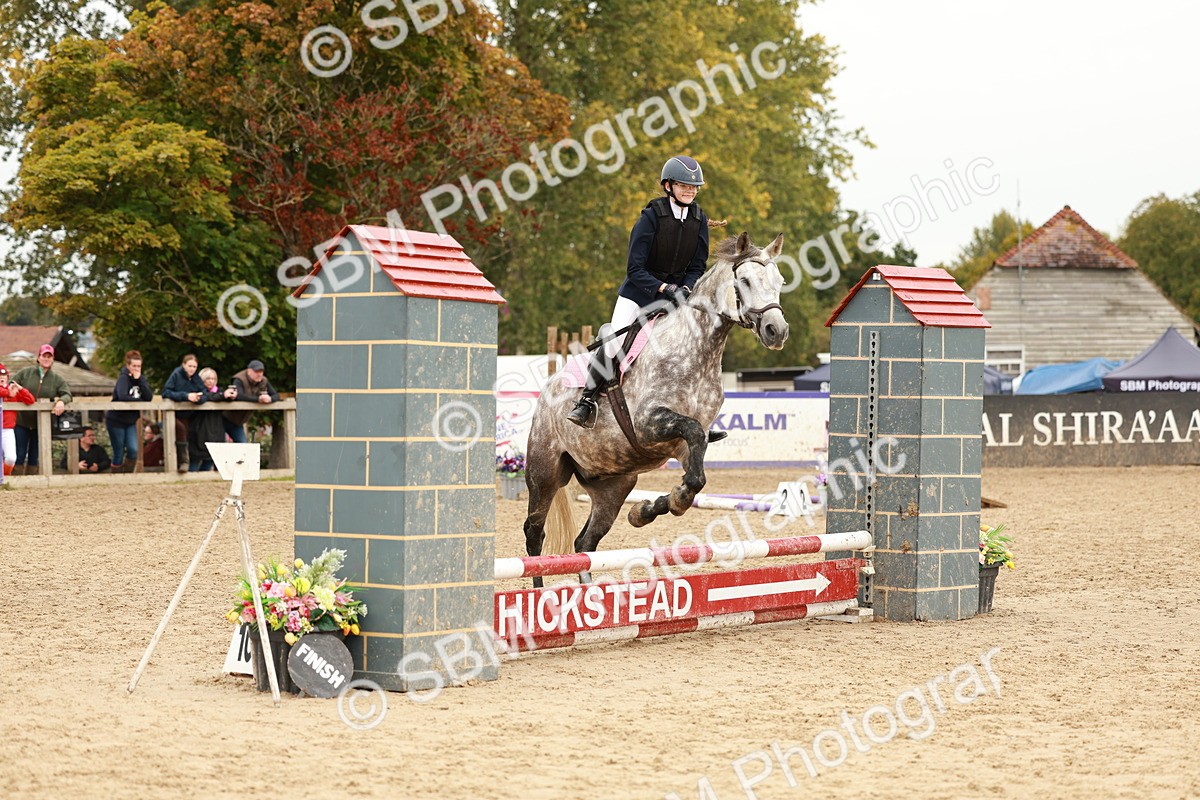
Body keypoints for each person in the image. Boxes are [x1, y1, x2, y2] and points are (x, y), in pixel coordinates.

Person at [567, 155, 712, 429]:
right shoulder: (651, 217)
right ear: (668, 186)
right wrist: (663, 287)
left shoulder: (699, 220)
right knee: (612, 341)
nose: (690, 191)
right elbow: (635, 268)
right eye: (684, 185)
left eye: (694, 187)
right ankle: (586, 401)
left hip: (676, 299)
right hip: (639, 294)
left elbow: (697, 265)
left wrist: (686, 287)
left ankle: (698, 411)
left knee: (695, 344)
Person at [12, 344, 73, 475]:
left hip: (41, 424)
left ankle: (32, 480)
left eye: (49, 356)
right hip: (21, 421)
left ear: (53, 359)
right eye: (43, 356)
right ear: (38, 358)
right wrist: (19, 393)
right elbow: (12, 384)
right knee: (19, 452)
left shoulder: (57, 379)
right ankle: (16, 480)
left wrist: (61, 401)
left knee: (35, 454)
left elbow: (67, 394)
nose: (46, 359)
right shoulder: (25, 373)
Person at [105, 350, 153, 473]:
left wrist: (140, 380)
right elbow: (123, 396)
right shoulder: (123, 378)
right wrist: (140, 401)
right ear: (128, 366)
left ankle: (127, 474)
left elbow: (148, 397)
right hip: (116, 420)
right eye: (134, 366)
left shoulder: (141, 379)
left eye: (139, 366)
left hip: (131, 421)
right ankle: (116, 476)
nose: (136, 369)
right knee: (119, 452)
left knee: (133, 450)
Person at [161, 354, 206, 471]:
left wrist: (198, 398)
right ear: (183, 365)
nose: (192, 369)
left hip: (188, 415)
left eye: (194, 367)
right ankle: (184, 462)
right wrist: (186, 396)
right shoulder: (176, 375)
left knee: (188, 434)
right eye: (190, 366)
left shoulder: (196, 378)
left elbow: (204, 393)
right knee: (180, 430)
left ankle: (185, 464)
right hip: (173, 414)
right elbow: (166, 392)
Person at [189, 367, 236, 472]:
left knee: (211, 458)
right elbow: (207, 396)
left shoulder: (220, 393)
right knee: (195, 460)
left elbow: (222, 396)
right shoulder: (196, 391)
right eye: (208, 379)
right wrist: (222, 396)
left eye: (213, 379)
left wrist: (230, 396)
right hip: (199, 429)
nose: (211, 381)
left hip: (215, 429)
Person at [223, 359, 279, 443]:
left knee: (244, 446)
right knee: (217, 445)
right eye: (256, 371)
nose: (259, 374)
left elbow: (276, 395)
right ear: (249, 371)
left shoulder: (264, 380)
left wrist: (269, 399)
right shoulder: (239, 379)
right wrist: (258, 399)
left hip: (238, 423)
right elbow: (239, 396)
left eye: (261, 372)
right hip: (223, 419)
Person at [1, 363, 36, 476]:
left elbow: (30, 400)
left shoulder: (13, 391)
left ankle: (4, 479)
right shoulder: (8, 391)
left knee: (11, 458)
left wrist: (20, 389)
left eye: (4, 376)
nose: (1, 378)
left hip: (7, 429)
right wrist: (8, 393)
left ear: (7, 377)